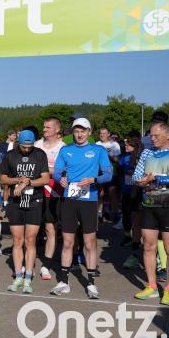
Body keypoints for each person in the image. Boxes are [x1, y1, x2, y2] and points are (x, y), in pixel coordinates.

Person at [50, 117, 112, 299]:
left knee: (90, 242)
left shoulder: (98, 150)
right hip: (69, 198)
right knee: (68, 241)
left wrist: (94, 179)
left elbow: (108, 173)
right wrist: (59, 178)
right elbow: (56, 171)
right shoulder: (66, 150)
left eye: (83, 131)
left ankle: (91, 284)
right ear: (73, 132)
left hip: (89, 198)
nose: (79, 134)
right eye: (77, 131)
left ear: (89, 132)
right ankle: (63, 281)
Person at [133, 122, 169, 306]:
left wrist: (156, 177)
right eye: (151, 136)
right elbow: (136, 176)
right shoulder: (147, 152)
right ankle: (152, 286)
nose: (152, 138)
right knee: (148, 246)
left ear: (168, 135)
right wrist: (140, 181)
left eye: (156, 135)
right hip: (149, 203)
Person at [0, 130, 50, 294]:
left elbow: (45, 179)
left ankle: (28, 277)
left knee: (30, 240)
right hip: (16, 202)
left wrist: (28, 181)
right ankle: (18, 276)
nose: (27, 149)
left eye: (30, 146)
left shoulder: (40, 154)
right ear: (18, 143)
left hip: (34, 200)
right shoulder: (10, 155)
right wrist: (18, 180)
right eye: (24, 146)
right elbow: (3, 178)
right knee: (17, 240)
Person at [34, 116, 65, 281]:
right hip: (36, 191)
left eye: (48, 127)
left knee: (50, 229)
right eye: (44, 127)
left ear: (57, 129)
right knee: (31, 230)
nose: (44, 129)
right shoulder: (37, 145)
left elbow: (61, 171)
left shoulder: (63, 148)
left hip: (54, 193)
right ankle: (27, 263)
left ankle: (46, 265)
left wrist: (44, 169)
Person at [120, 134, 145, 270]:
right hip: (129, 191)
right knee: (132, 219)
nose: (125, 146)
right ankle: (134, 252)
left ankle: (156, 258)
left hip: (143, 192)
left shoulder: (143, 156)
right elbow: (121, 171)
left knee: (145, 226)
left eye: (128, 145)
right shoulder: (125, 157)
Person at [97, 127, 122, 224]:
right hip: (100, 173)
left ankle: (114, 214)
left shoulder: (114, 144)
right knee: (100, 194)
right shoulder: (97, 145)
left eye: (104, 133)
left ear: (108, 134)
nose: (102, 135)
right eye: (100, 133)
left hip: (112, 173)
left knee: (112, 194)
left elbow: (117, 160)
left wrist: (106, 155)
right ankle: (100, 214)